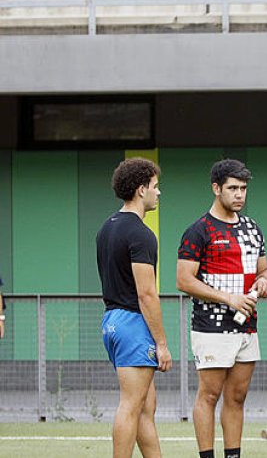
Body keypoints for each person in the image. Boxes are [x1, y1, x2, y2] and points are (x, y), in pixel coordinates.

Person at [176, 159, 267, 458]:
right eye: (233, 188)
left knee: (237, 396)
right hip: (211, 326)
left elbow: (265, 271)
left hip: (247, 326)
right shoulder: (198, 230)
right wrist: (229, 299)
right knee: (209, 395)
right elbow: (183, 280)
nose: (239, 194)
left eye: (243, 188)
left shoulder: (253, 228)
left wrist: (264, 282)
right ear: (216, 189)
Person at [98, 157, 171, 458]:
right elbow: (147, 294)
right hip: (132, 324)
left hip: (112, 321)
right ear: (141, 189)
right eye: (155, 186)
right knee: (131, 405)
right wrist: (162, 344)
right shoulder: (141, 234)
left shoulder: (107, 228)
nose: (158, 192)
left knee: (144, 407)